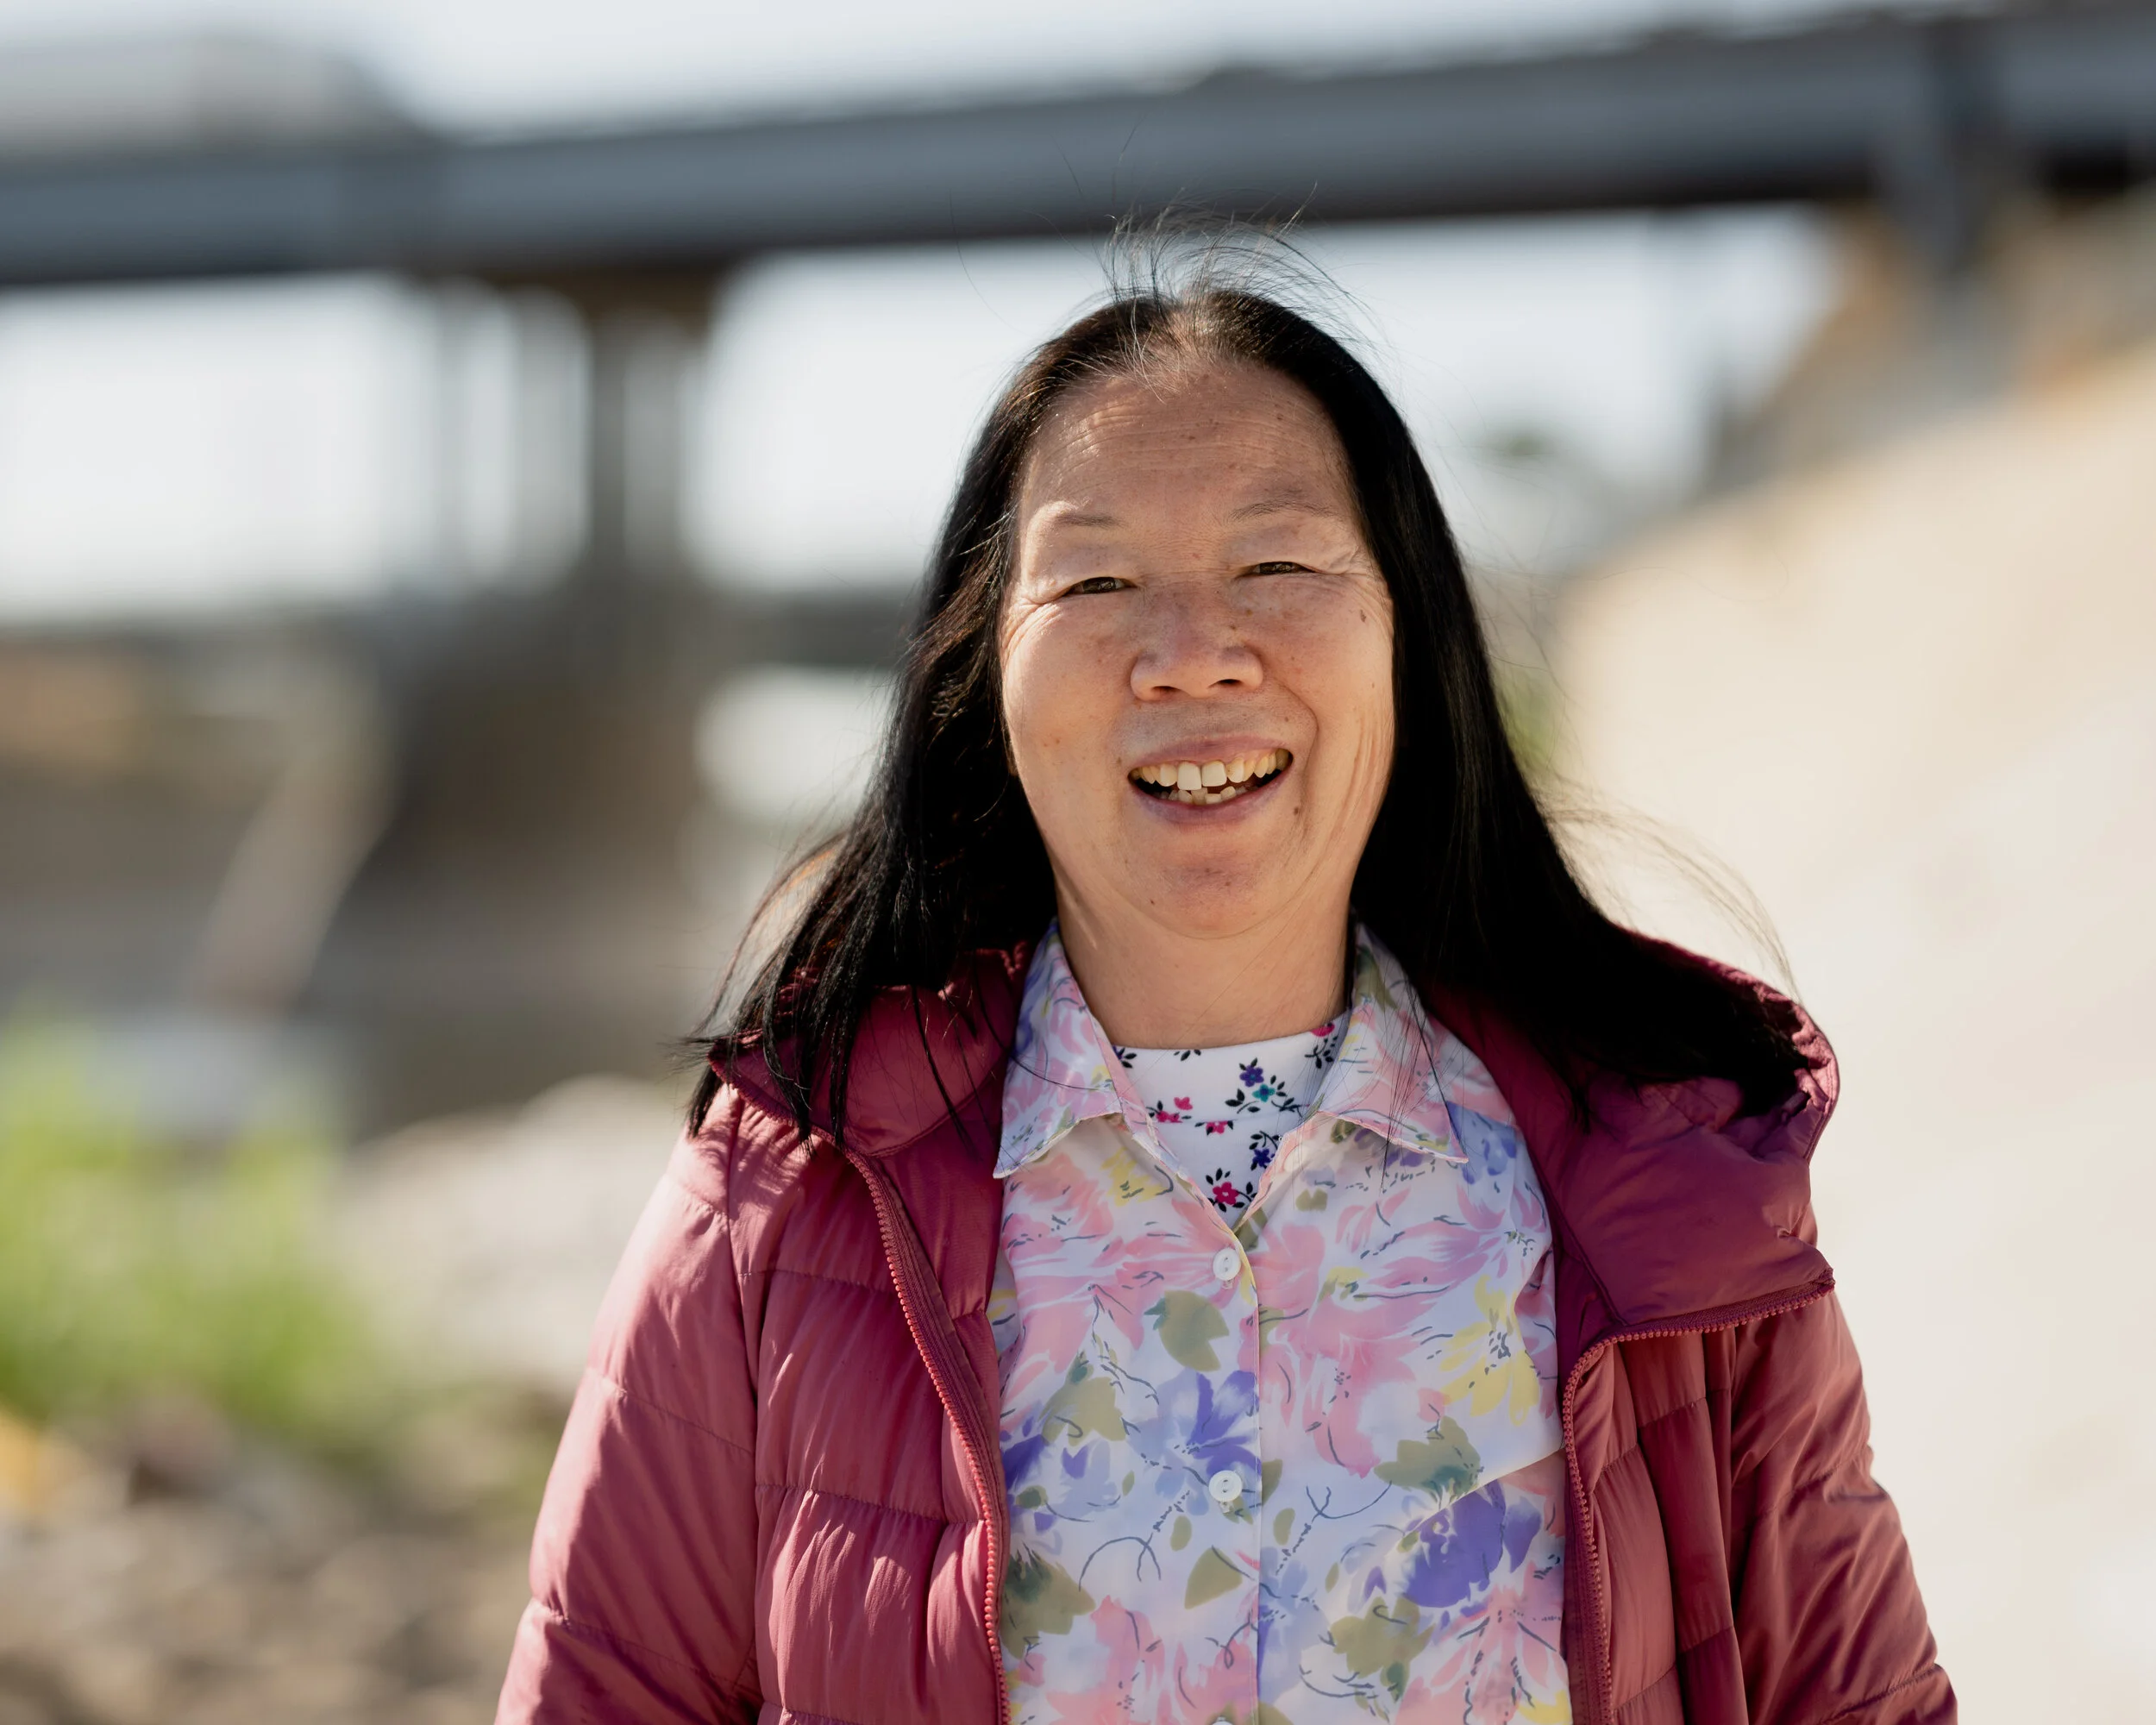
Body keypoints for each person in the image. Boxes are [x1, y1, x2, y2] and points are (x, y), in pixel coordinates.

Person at [497, 276, 1953, 1725]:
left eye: (1276, 565)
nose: (1192, 653)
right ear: (983, 672)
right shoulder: (782, 1189)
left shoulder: (1677, 1188)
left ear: (1408, 635)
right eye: (1097, 583)